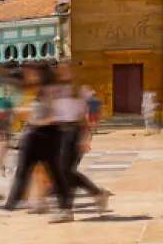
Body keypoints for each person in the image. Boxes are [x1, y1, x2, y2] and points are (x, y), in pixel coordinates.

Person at [3, 63, 73, 221]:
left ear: (40, 73)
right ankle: (12, 205)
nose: (26, 74)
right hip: (34, 134)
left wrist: (37, 119)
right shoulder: (37, 90)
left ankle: (65, 209)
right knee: (23, 170)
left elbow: (56, 114)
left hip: (49, 135)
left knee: (54, 172)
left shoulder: (52, 90)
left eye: (30, 72)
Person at [54, 63, 110, 216]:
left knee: (64, 171)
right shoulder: (57, 91)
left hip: (75, 132)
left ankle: (66, 209)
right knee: (65, 171)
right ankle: (96, 194)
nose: (62, 72)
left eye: (66, 69)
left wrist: (86, 137)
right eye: (60, 70)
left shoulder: (81, 90)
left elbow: (91, 113)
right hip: (60, 133)